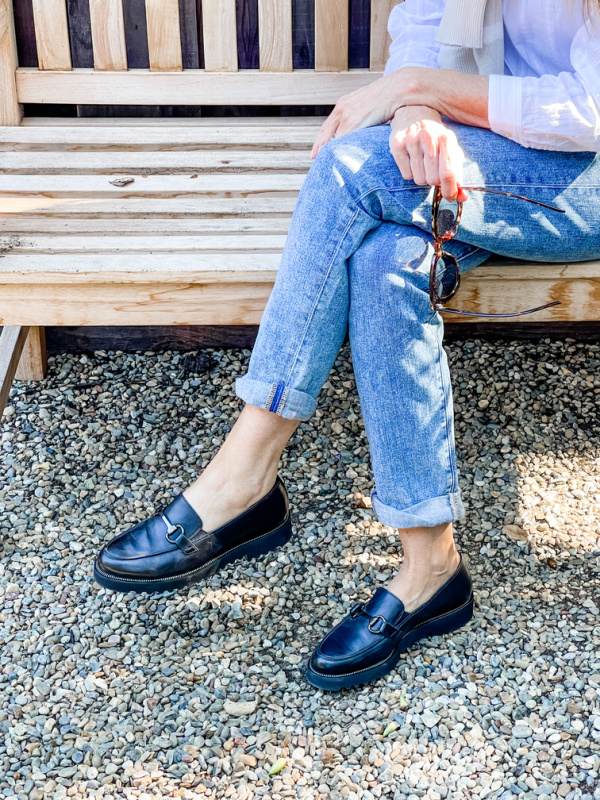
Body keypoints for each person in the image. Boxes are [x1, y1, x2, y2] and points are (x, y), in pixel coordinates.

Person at [93, 0, 600, 691]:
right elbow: (425, 23)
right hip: (497, 146)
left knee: (348, 170)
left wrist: (422, 90)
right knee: (389, 259)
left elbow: (589, 107)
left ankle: (246, 473)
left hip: (585, 171)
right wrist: (414, 114)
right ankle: (431, 566)